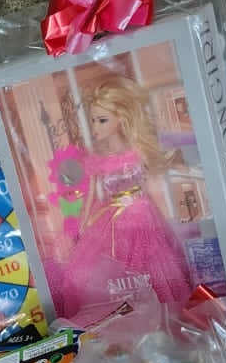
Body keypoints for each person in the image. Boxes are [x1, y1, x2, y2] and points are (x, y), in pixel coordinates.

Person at [46, 76, 195, 318]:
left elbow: (161, 173)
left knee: (151, 267)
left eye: (102, 120)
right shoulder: (98, 158)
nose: (95, 127)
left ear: (122, 118)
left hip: (142, 217)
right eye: (93, 120)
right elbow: (90, 198)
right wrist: (79, 229)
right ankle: (122, 315)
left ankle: (156, 316)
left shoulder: (138, 150)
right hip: (110, 220)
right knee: (98, 271)